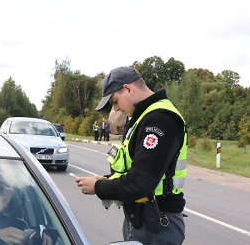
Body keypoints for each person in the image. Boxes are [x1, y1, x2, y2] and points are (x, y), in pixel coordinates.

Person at [75, 66, 187, 245]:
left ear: (128, 89)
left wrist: (99, 187)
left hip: (157, 223)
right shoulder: (143, 118)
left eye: (115, 101)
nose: (116, 108)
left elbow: (140, 182)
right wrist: (105, 179)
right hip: (143, 219)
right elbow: (135, 170)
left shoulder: (160, 119)